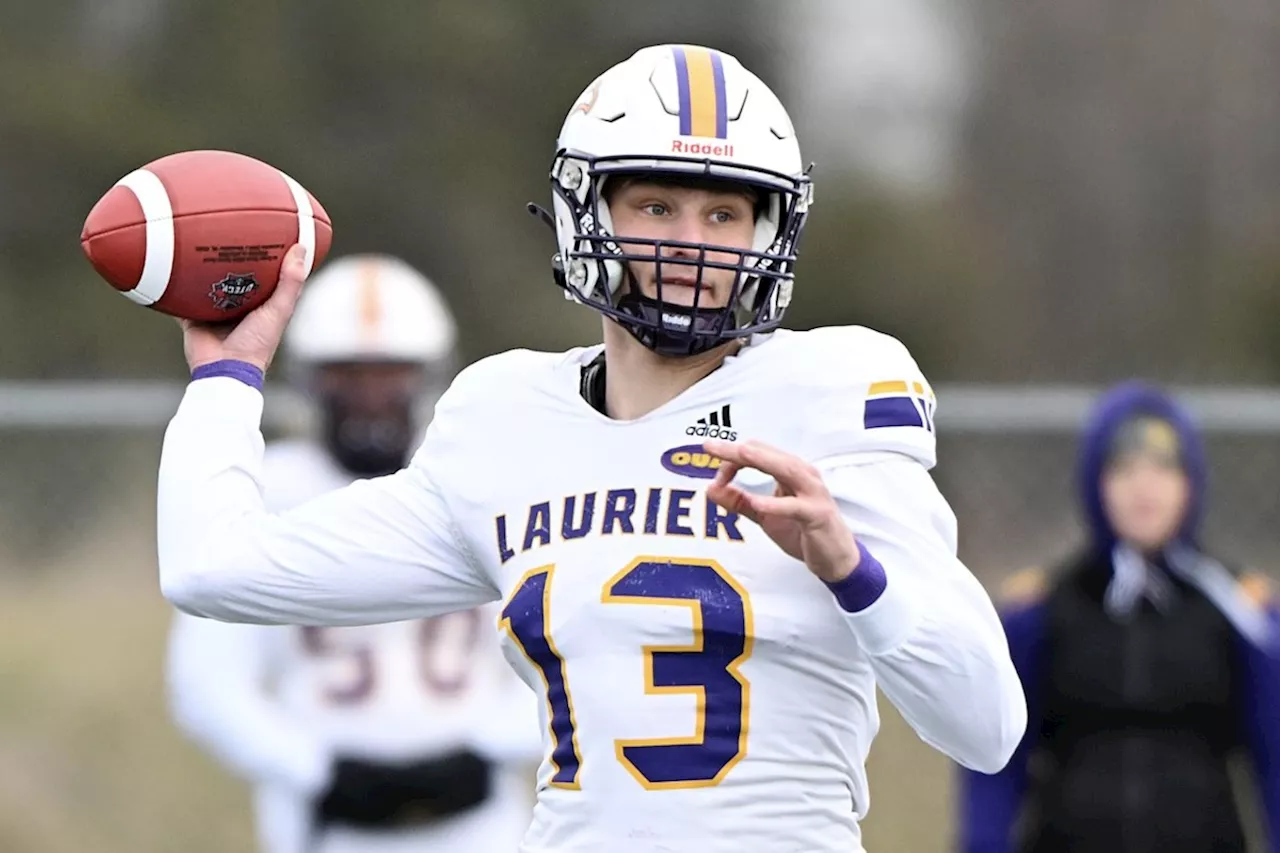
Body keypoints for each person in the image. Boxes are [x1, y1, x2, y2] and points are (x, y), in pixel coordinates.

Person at [156, 44, 1025, 852]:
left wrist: (852, 568)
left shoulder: (830, 392)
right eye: (656, 205)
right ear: (586, 209)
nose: (691, 244)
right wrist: (228, 379)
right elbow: (213, 567)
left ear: (769, 232)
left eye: (724, 212)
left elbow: (986, 728)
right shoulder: (505, 422)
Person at [165, 255, 541, 853]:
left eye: (389, 373)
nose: (370, 396)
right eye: (348, 374)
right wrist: (317, 771)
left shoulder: (478, 480)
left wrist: (489, 752)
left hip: (481, 821)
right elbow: (207, 686)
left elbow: (560, 648)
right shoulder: (264, 487)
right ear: (313, 380)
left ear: (425, 375)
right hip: (330, 825)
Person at [957, 381, 1280, 853]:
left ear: (1191, 482)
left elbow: (1274, 759)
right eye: (1124, 470)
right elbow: (993, 765)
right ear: (1095, 483)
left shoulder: (1244, 615)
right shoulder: (1041, 612)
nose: (1143, 488)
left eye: (1163, 470)